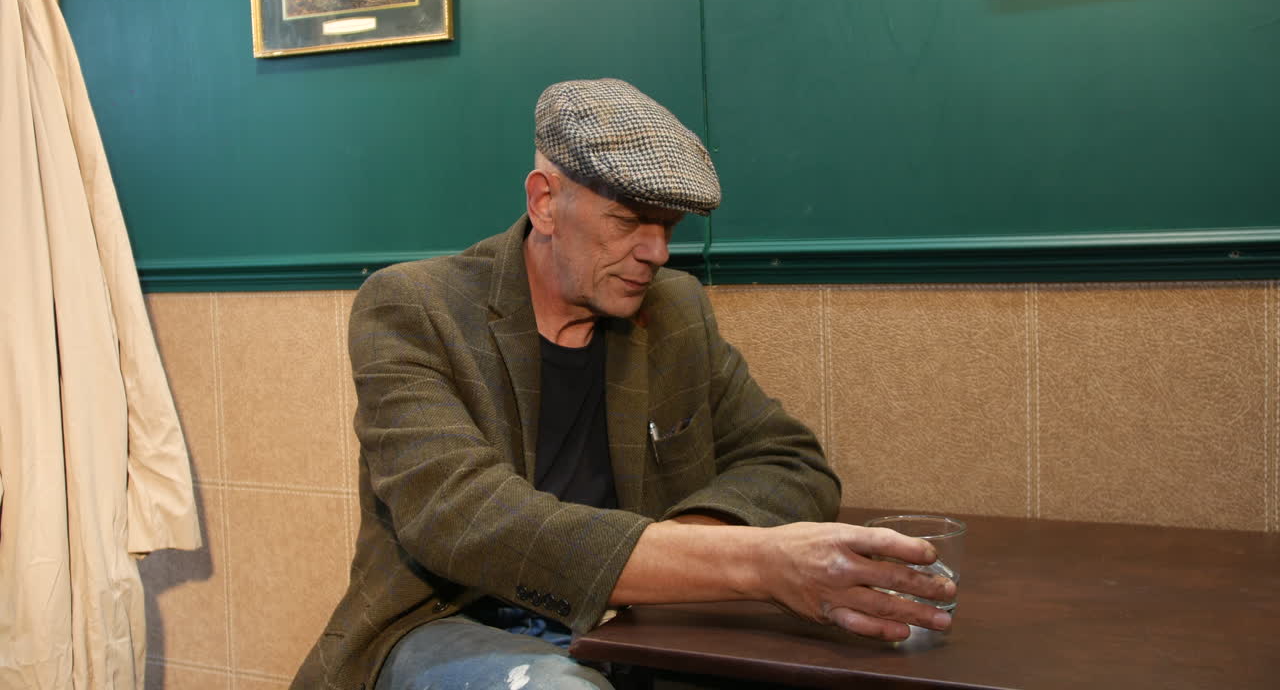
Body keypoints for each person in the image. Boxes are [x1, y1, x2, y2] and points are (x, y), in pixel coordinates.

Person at [291, 79, 955, 690]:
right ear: (545, 203)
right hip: (449, 619)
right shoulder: (412, 306)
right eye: (629, 221)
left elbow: (791, 461)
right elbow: (465, 518)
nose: (657, 253)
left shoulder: (674, 310)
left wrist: (688, 548)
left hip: (632, 622)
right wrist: (754, 563)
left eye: (667, 228)